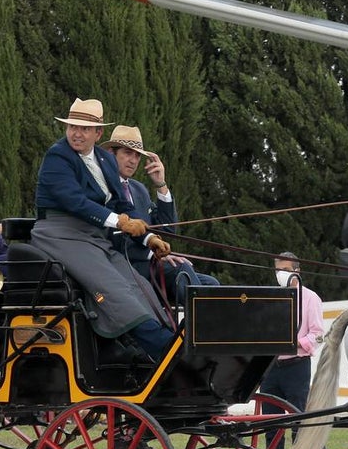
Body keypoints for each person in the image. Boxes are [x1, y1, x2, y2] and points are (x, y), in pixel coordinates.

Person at [31, 98, 174, 360]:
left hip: (96, 238)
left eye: (84, 129)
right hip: (62, 235)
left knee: (138, 284)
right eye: (72, 126)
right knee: (113, 289)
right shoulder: (57, 156)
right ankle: (161, 348)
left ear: (98, 133)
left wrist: (149, 237)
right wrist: (118, 221)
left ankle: (165, 344)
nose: (76, 133)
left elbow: (122, 205)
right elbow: (75, 202)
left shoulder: (106, 161)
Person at [102, 125, 218, 303]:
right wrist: (154, 254)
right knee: (181, 269)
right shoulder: (103, 187)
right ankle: (200, 330)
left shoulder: (138, 189)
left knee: (211, 283)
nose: (133, 160)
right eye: (127, 153)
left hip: (149, 266)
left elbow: (168, 230)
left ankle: (200, 328)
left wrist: (161, 185)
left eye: (137, 155)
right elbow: (114, 239)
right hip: (124, 267)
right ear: (111, 153)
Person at [259, 251, 324, 414]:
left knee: (297, 417)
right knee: (270, 420)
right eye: (278, 270)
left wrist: (295, 344)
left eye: (286, 269)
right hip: (271, 366)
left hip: (296, 366)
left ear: (297, 271)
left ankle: (299, 440)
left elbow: (317, 334)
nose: (281, 274)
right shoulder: (270, 297)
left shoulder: (310, 298)